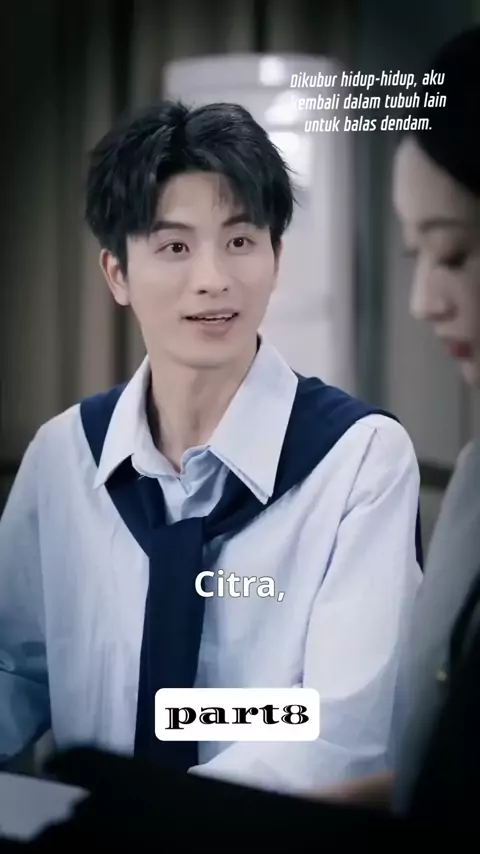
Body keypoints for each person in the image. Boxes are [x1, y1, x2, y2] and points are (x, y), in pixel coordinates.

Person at [0, 99, 422, 795]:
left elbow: (344, 729)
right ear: (116, 274)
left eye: (240, 241)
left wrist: (161, 821)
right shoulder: (64, 458)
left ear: (277, 258)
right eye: (174, 247)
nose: (213, 279)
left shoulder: (359, 461)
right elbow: (15, 670)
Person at [309, 24, 480, 813]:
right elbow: (433, 777)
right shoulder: (474, 483)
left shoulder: (368, 459)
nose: (423, 303)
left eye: (453, 254)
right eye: (417, 256)